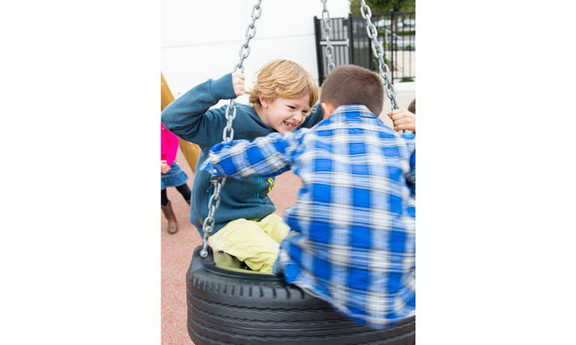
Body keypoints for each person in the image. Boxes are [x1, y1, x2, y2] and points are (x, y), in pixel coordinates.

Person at [201, 64, 415, 330]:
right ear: (377, 111)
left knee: (292, 247)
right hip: (397, 294)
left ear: (325, 110)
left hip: (316, 267)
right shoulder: (402, 144)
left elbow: (245, 158)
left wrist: (217, 160)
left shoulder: (309, 139)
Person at [161, 59, 324, 272]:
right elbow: (172, 118)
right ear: (265, 99)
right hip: (223, 220)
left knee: (308, 251)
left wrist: (348, 98)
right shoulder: (229, 120)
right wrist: (215, 90)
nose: (299, 117)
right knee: (280, 262)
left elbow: (323, 112)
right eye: (292, 107)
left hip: (261, 215)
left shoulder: (282, 123)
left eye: (304, 111)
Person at [161, 123, 191, 234]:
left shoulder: (163, 124)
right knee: (161, 195)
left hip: (170, 163)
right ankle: (170, 219)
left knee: (184, 189)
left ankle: (198, 213)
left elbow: (173, 142)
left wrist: (168, 162)